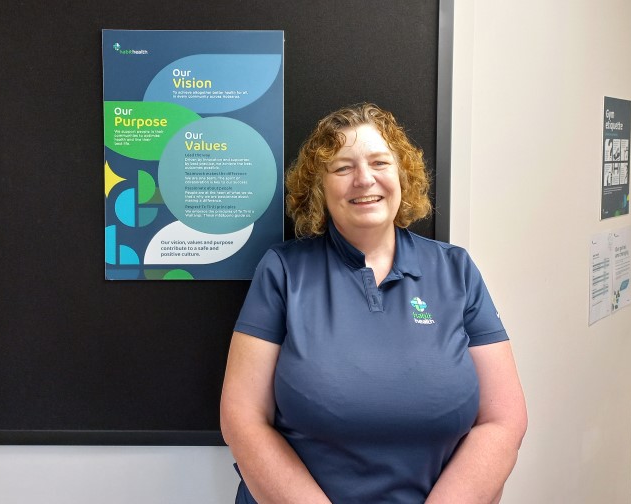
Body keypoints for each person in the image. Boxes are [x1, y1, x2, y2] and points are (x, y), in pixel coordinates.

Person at [220, 103, 527, 503]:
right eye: (343, 167)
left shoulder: (456, 270)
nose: (364, 179)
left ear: (402, 175)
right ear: (319, 188)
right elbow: (242, 419)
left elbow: (504, 419)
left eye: (380, 162)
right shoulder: (283, 271)